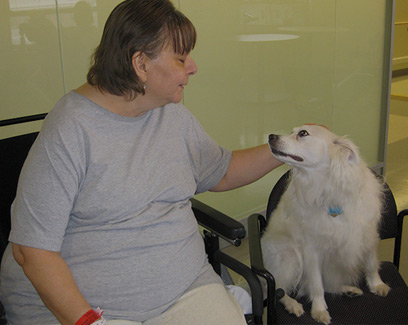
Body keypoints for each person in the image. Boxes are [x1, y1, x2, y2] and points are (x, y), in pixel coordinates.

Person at [0, 0, 283, 324]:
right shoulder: (70, 129)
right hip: (87, 310)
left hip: (184, 289)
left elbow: (222, 172)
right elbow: (32, 251)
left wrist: (290, 148)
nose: (192, 67)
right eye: (180, 58)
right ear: (141, 64)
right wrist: (89, 321)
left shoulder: (170, 114)